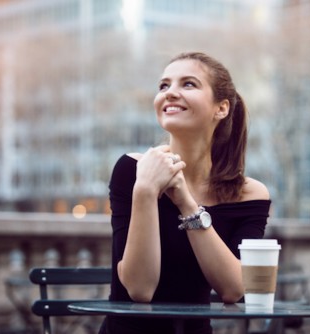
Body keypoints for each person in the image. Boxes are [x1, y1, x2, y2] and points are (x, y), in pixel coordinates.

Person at [100, 52, 271, 334]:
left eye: (188, 84)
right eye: (164, 86)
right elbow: (140, 289)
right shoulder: (131, 170)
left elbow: (233, 289)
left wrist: (186, 203)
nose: (170, 93)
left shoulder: (250, 194)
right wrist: (144, 190)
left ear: (222, 108)